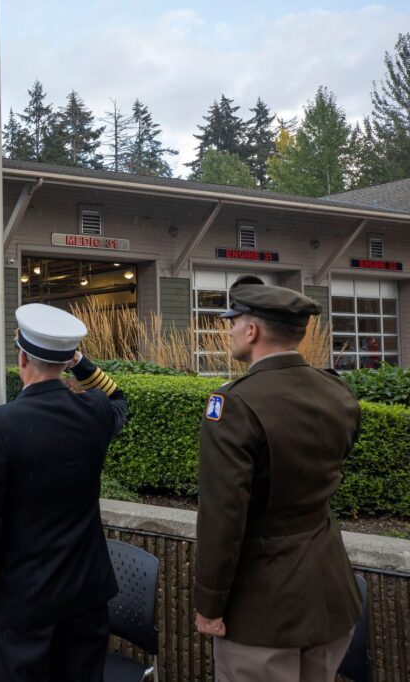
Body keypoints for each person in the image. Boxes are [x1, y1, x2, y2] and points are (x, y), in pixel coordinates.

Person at [194, 276, 362, 681]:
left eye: (233, 322)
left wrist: (210, 604)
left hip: (262, 609)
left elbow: (223, 516)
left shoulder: (233, 404)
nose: (229, 330)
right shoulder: (337, 391)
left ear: (251, 330)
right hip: (330, 595)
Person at [0, 303, 128, 682]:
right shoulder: (95, 412)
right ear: (66, 361)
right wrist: (81, 363)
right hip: (87, 594)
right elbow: (120, 400)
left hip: (26, 599)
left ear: (21, 358)